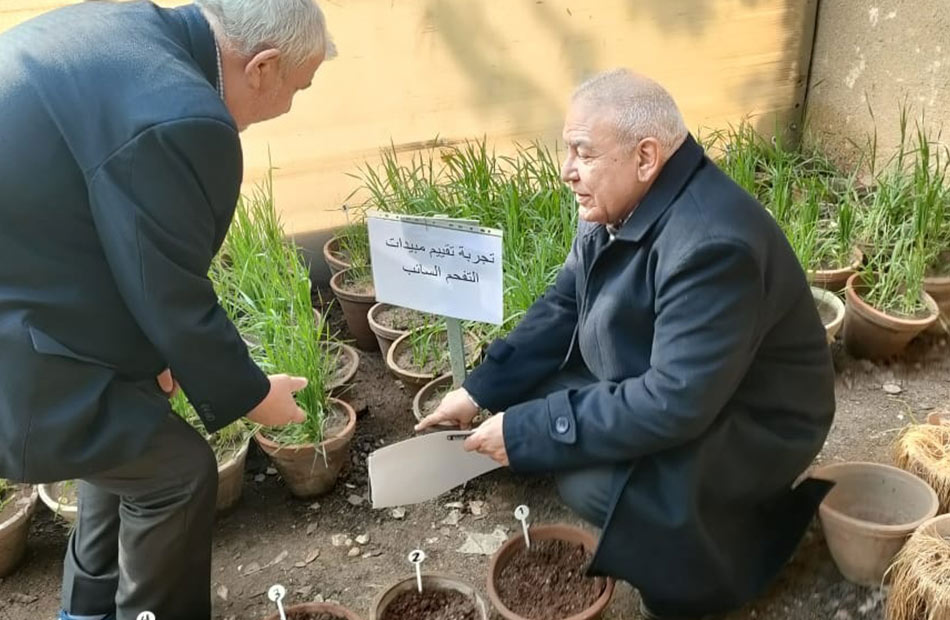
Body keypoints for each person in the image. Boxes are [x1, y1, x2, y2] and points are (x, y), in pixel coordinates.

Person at [417, 69, 836, 619]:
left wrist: (532, 430)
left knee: (583, 477)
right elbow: (564, 306)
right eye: (566, 149)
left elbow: (674, 402)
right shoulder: (620, 202)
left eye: (583, 153)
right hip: (690, 380)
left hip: (753, 421)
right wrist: (478, 392)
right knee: (533, 409)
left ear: (645, 157)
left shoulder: (712, 246)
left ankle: (718, 547)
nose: (567, 171)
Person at [0, 1, 334, 618]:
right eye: (299, 85)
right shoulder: (182, 115)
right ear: (261, 66)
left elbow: (117, 239)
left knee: (128, 437)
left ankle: (87, 610)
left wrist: (146, 359)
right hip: (17, 343)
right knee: (177, 475)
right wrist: (255, 394)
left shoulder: (130, 31)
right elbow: (170, 289)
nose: (291, 105)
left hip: (32, 284)